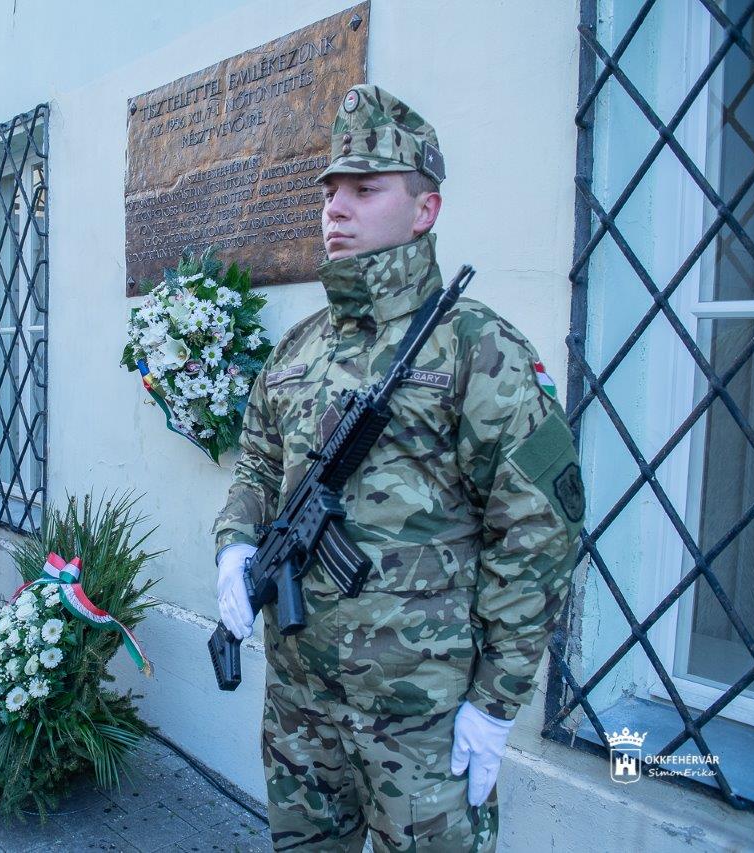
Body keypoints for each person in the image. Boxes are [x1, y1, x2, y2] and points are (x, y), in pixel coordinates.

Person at [213, 85, 585, 851]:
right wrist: (235, 544)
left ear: (426, 210)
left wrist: (497, 699)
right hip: (299, 702)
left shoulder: (478, 348)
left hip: (422, 713)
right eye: (331, 190)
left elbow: (539, 533)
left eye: (365, 188)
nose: (336, 208)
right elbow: (256, 463)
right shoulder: (297, 348)